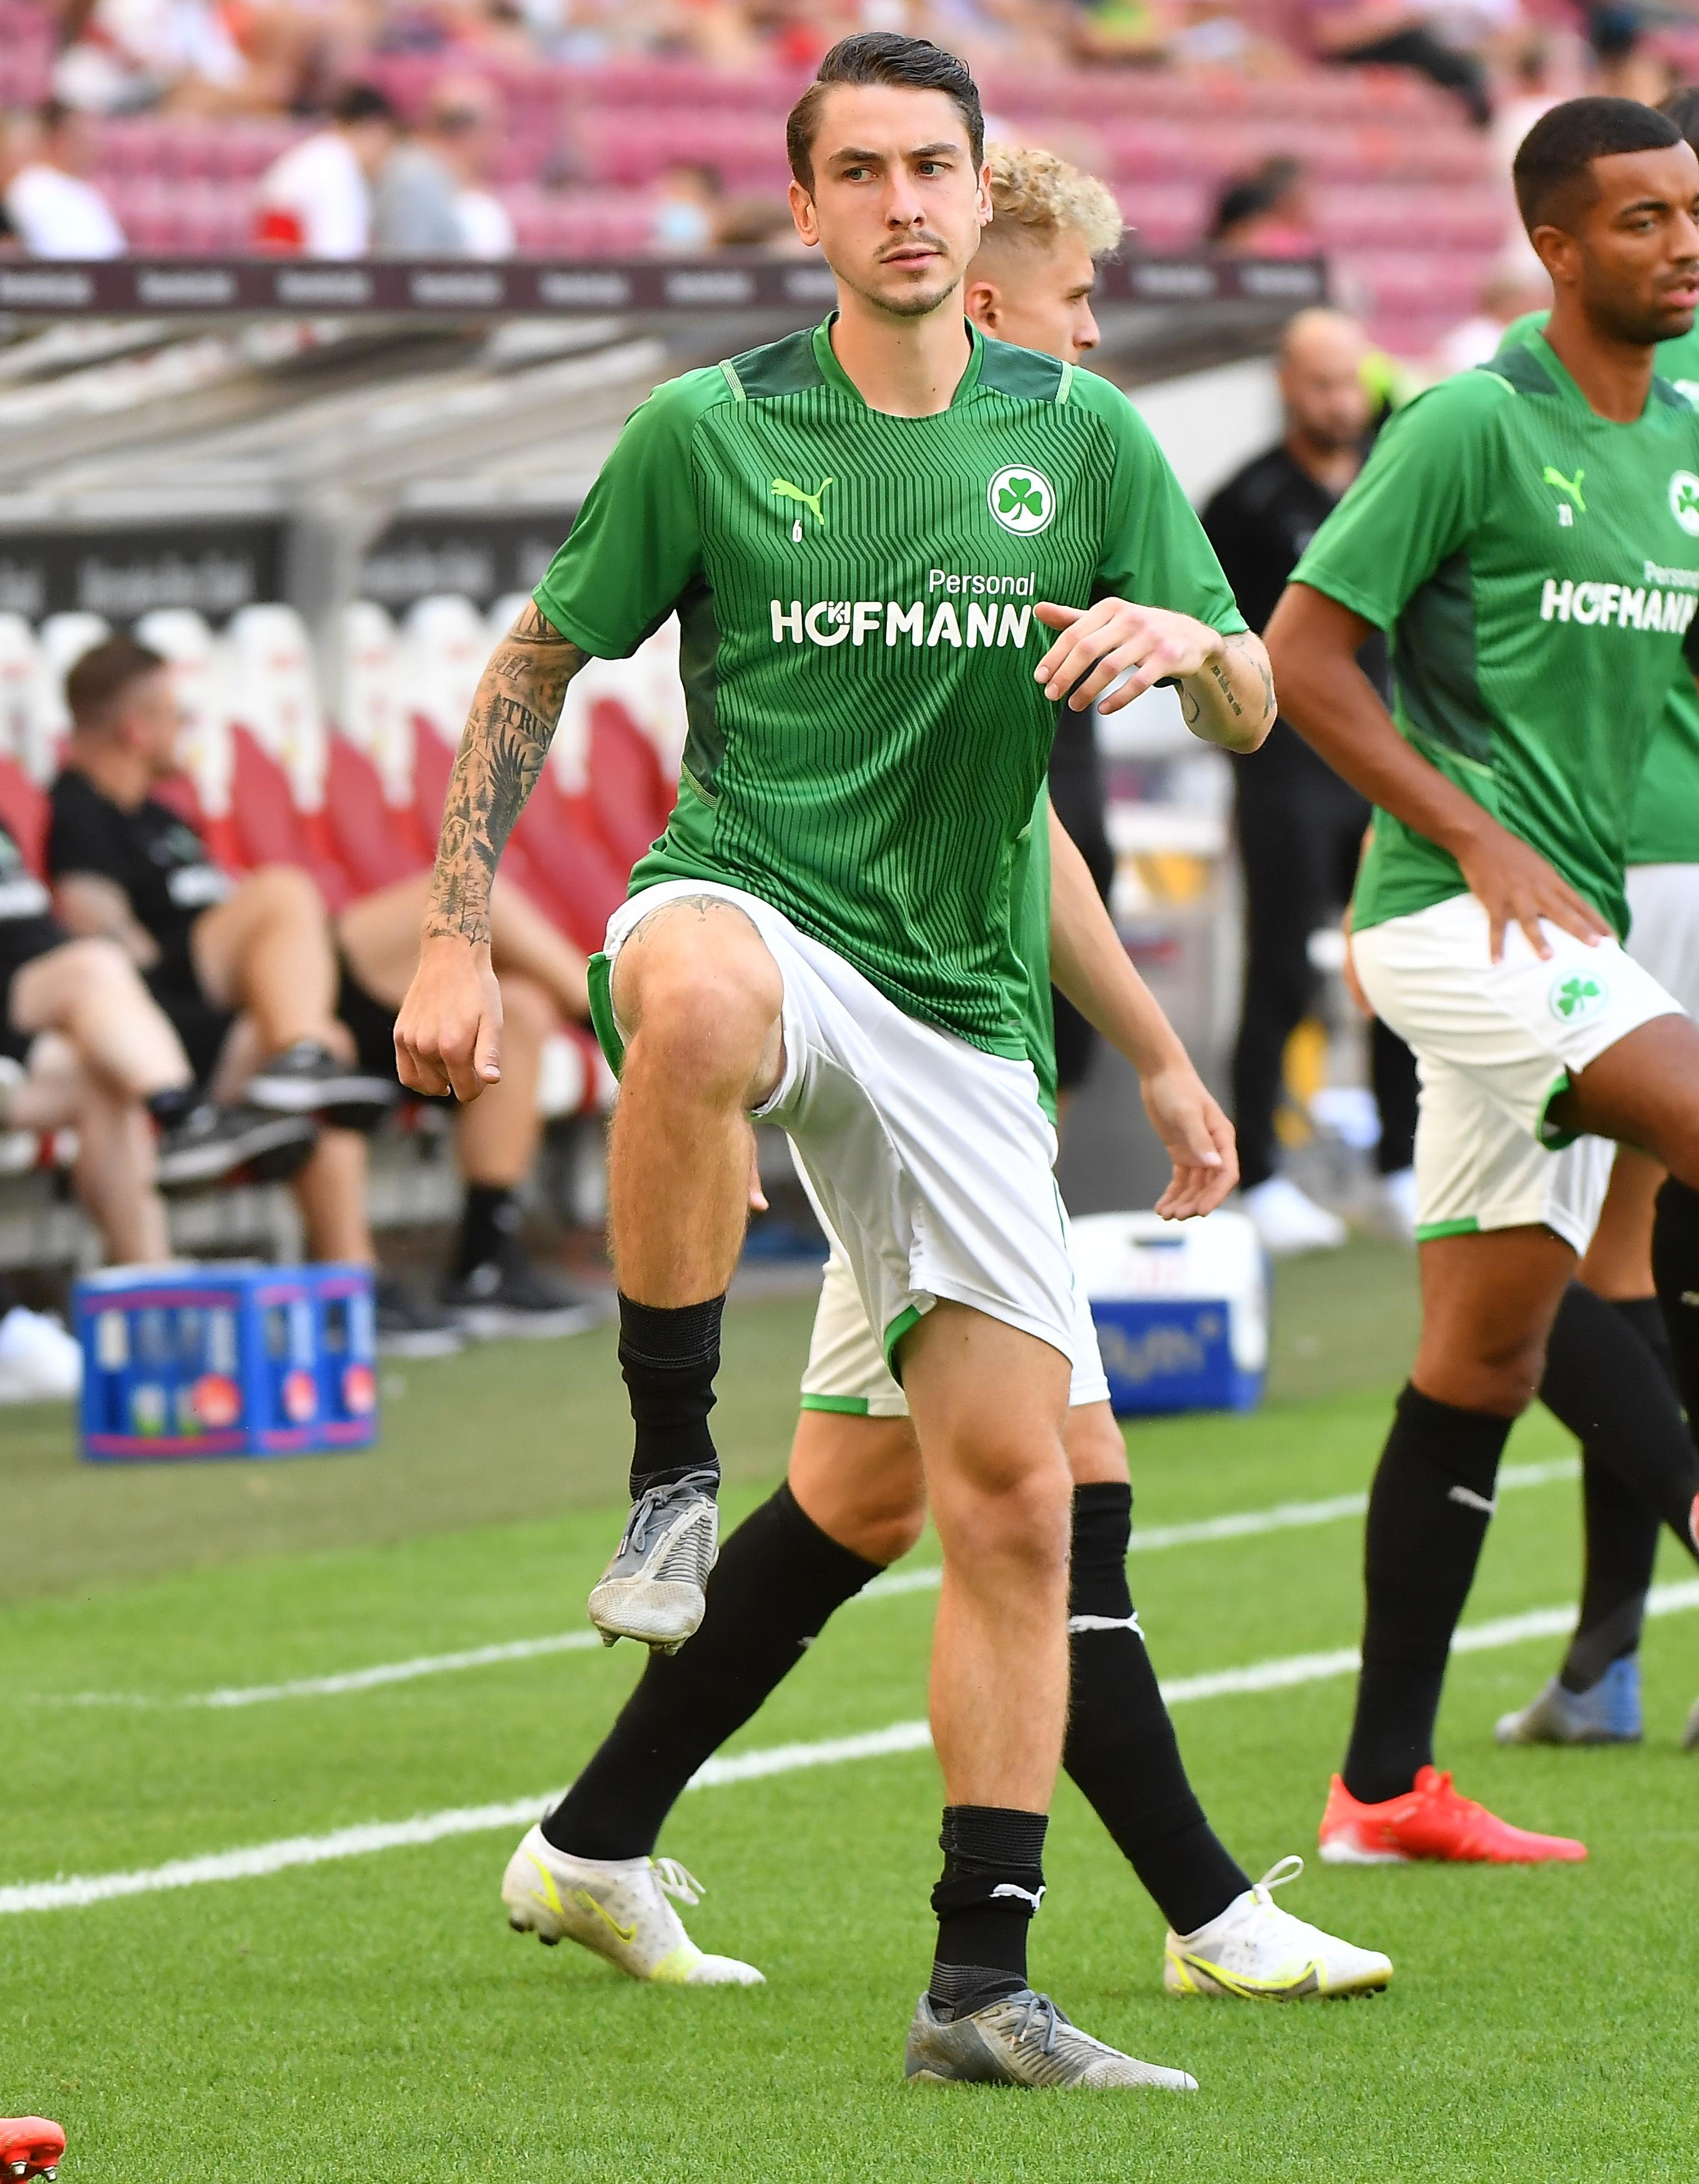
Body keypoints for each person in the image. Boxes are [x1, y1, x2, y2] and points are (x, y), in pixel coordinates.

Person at [396, 30, 1275, 2091]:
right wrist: (454, 932)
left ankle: (980, 1984)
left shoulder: (1087, 437)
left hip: (964, 1013)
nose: (900, 199)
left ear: (983, 206)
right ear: (802, 210)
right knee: (689, 997)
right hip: (754, 906)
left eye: (932, 166)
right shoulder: (707, 430)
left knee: (1013, 1508)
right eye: (858, 168)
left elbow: (1245, 708)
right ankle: (669, 1483)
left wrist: (1187, 650)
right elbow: (538, 657)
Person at [1264, 95, 1699, 1866]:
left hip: (1582, 929)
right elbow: (1304, 654)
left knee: (1486, 1348)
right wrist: (1475, 832)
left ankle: (1379, 1790)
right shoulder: (1465, 422)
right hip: (1453, 921)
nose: (1680, 241)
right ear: (1555, 244)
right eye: (1641, 219)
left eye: (1690, 209)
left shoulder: (1683, 434)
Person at [47, 636, 591, 1342]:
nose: (188, 731)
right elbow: (108, 947)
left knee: (515, 1007)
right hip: (203, 1012)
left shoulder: (165, 820)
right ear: (134, 727)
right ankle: (611, 1015)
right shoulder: (80, 811)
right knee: (392, 895)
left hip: (290, 987)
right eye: (177, 716)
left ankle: (484, 1261)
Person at [1492, 83, 1699, 1752]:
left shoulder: (1575, 382)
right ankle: (1605, 1660)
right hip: (1639, 865)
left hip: (1597, 865)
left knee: (1535, 1269)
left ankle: (1615, 1649)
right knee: (1629, 1261)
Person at [1203, 308, 1420, 1254]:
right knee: (1280, 971)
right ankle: (1255, 1177)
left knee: (1398, 964)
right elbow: (1206, 638)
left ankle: (1402, 1166)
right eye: (1320, 382)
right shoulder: (1246, 501)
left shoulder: (1396, 476)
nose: (1340, 400)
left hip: (1384, 754)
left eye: (1351, 380)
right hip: (1287, 768)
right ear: (1288, 387)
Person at [1, 811, 315, 1290]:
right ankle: (185, 1118)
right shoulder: (80, 811)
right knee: (94, 965)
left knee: (105, 1077)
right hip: (29, 998)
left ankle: (151, 1292)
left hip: (34, 1034)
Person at [371, 76, 514, 260]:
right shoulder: (412, 180)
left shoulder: (438, 177)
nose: (496, 144)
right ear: (468, 134)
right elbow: (403, 269)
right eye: (493, 131)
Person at [252, 84, 398, 258]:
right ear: (372, 128)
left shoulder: (318, 155)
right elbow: (340, 258)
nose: (385, 152)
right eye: (386, 140)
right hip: (306, 278)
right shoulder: (338, 167)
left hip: (282, 273)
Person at [2, 102, 126, 259]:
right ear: (58, 138)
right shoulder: (32, 187)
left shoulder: (87, 191)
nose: (92, 148)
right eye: (83, 139)